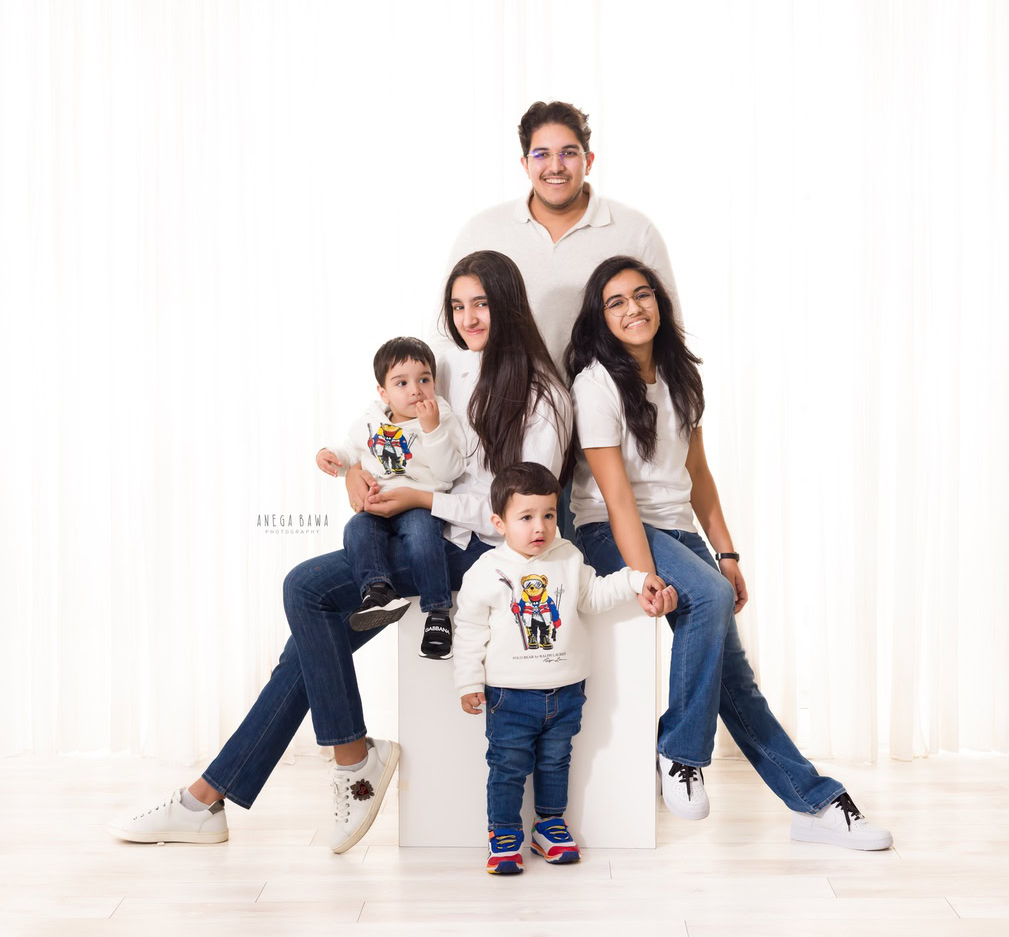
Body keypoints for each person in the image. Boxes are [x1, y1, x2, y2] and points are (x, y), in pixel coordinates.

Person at [107, 250, 580, 854]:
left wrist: (421, 499)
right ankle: (208, 798)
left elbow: (516, 506)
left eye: (482, 304)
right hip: (423, 527)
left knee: (306, 591)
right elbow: (396, 434)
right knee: (307, 651)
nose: (468, 317)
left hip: (477, 551)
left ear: (508, 305)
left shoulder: (542, 396)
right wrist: (358, 474)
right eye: (458, 306)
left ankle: (336, 764)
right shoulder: (455, 369)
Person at [565, 255, 894, 851]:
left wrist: (728, 552)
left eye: (642, 295)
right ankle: (679, 753)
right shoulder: (595, 383)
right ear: (601, 318)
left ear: (659, 304)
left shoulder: (679, 375)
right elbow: (614, 495)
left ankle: (815, 804)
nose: (633, 308)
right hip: (610, 532)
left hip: (677, 533)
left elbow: (698, 472)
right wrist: (641, 573)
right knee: (709, 596)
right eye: (616, 302)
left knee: (738, 688)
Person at [446, 99, 681, 542]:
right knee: (527, 572)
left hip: (604, 429)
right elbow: (449, 335)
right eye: (542, 154)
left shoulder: (634, 230)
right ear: (524, 163)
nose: (556, 166)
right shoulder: (484, 229)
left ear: (589, 160)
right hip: (516, 426)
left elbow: (666, 333)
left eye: (569, 153)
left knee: (580, 577)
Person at [453, 462, 675, 874]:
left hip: (565, 691)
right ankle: (503, 832)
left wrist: (634, 579)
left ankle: (550, 824)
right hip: (509, 694)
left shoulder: (568, 557)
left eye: (549, 515)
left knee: (556, 762)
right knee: (507, 765)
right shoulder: (486, 572)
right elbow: (468, 630)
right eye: (526, 517)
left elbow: (593, 594)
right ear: (499, 522)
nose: (540, 527)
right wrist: (467, 680)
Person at [316, 336, 466, 659]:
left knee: (423, 537)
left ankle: (438, 613)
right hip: (378, 503)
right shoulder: (372, 420)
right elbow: (352, 449)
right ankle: (377, 590)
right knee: (356, 530)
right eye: (402, 383)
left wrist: (432, 429)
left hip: (418, 504)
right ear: (383, 392)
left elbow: (450, 471)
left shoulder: (441, 418)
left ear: (434, 383)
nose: (415, 390)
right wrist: (331, 456)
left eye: (424, 380)